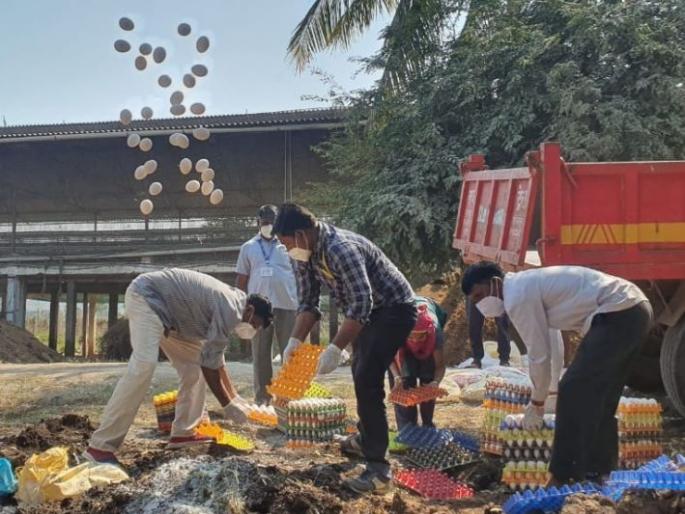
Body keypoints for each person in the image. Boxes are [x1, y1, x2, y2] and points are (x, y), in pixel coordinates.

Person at [461, 262, 652, 484]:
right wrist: (550, 391)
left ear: (495, 282)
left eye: (480, 295)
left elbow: (538, 354)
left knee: (572, 390)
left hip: (617, 311)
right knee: (602, 396)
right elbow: (553, 345)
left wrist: (537, 402)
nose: (480, 304)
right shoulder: (528, 285)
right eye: (475, 301)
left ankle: (564, 475)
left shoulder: (516, 296)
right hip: (636, 309)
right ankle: (600, 471)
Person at [273, 203, 417, 494]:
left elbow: (362, 304)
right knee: (360, 372)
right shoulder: (304, 254)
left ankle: (379, 471)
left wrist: (334, 348)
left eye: (287, 243)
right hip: (368, 311)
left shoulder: (341, 249)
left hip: (394, 309)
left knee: (367, 378)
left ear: (301, 234)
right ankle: (366, 439)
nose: (287, 250)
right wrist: (294, 342)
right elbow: (308, 303)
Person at [85, 268, 273, 466]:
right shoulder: (231, 309)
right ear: (250, 310)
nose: (253, 329)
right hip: (148, 298)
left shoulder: (235, 303)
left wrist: (234, 397)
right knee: (144, 365)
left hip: (174, 319)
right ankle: (101, 446)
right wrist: (227, 405)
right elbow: (210, 365)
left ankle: (184, 432)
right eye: (255, 324)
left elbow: (215, 359)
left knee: (194, 368)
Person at [236, 205, 298, 405]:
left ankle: (289, 397)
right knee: (261, 353)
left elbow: (300, 274)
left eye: (272, 222)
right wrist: (240, 306)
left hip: (286, 304)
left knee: (290, 351)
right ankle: (263, 398)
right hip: (258, 310)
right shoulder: (248, 247)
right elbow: (242, 278)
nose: (268, 226)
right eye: (265, 222)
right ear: (258, 223)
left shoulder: (288, 245)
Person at [389, 295, 447, 430]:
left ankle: (427, 424)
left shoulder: (435, 333)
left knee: (428, 380)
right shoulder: (397, 330)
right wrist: (397, 377)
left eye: (420, 336)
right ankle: (407, 427)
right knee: (405, 383)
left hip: (428, 346)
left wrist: (435, 382)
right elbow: (389, 357)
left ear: (427, 332)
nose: (415, 341)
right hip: (404, 346)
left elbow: (440, 365)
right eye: (412, 336)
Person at [466, 296, 511, 367]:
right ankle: (476, 359)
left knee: (503, 324)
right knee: (474, 323)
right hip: (476, 291)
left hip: (498, 291)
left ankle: (504, 359)